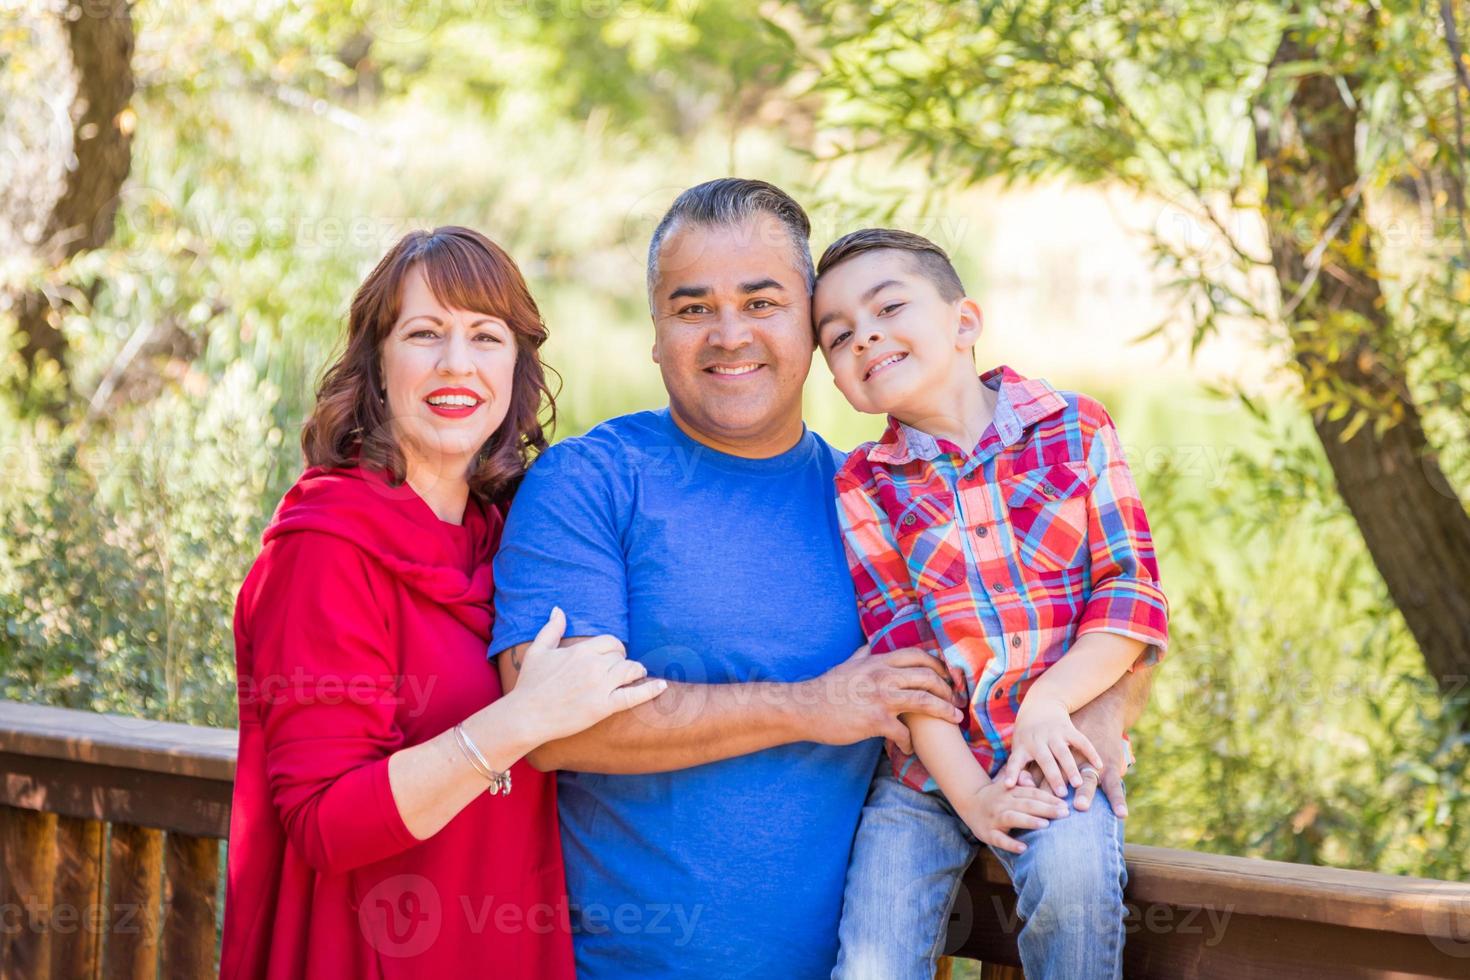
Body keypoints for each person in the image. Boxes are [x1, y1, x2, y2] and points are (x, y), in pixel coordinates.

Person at [490, 179, 1151, 979]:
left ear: (808, 327)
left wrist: (1099, 713)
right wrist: (814, 706)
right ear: (655, 333)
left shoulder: (881, 502)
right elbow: (553, 729)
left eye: (763, 302)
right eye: (692, 308)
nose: (729, 334)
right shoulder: (589, 481)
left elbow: (1099, 599)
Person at [221, 226, 662, 980]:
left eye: (485, 336)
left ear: (516, 366)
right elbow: (324, 823)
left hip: (501, 939)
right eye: (425, 333)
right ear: (377, 365)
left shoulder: (508, 535)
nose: (457, 363)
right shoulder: (324, 548)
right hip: (367, 946)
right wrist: (518, 722)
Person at [813, 227, 1171, 980]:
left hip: (1054, 750)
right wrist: (972, 796)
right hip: (926, 774)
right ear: (840, 380)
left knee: (1075, 890)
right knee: (873, 955)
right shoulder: (862, 485)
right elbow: (903, 658)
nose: (865, 336)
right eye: (839, 336)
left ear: (963, 322)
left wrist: (1049, 704)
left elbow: (1130, 594)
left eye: (887, 308)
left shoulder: (1075, 428)